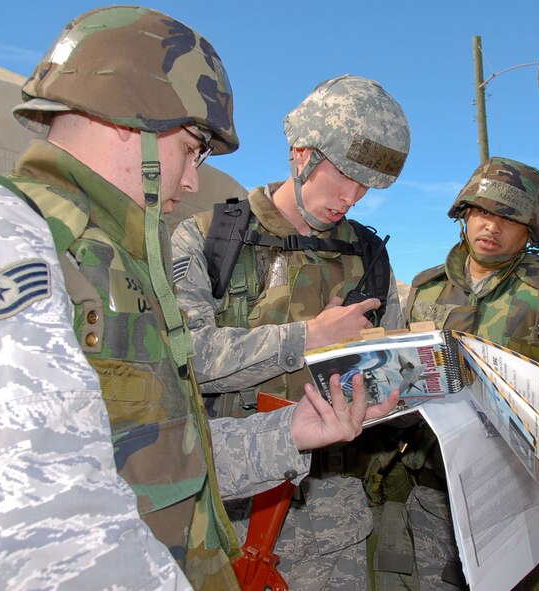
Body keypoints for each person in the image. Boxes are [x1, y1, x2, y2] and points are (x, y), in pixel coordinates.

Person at [0, 7, 396, 590]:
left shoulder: (114, 257)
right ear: (132, 120)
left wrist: (290, 432)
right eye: (194, 148)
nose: (194, 180)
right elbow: (29, 519)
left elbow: (160, 454)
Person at [171, 74, 409, 589]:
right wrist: (306, 338)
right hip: (228, 507)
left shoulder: (370, 256)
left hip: (334, 514)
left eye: (366, 184)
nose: (352, 196)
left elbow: (396, 365)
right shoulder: (210, 238)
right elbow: (184, 358)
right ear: (302, 155)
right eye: (343, 175)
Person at [405, 156, 539, 589]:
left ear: (530, 230)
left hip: (517, 493)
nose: (491, 227)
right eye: (482, 212)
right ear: (464, 214)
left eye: (508, 218)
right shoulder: (426, 289)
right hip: (432, 490)